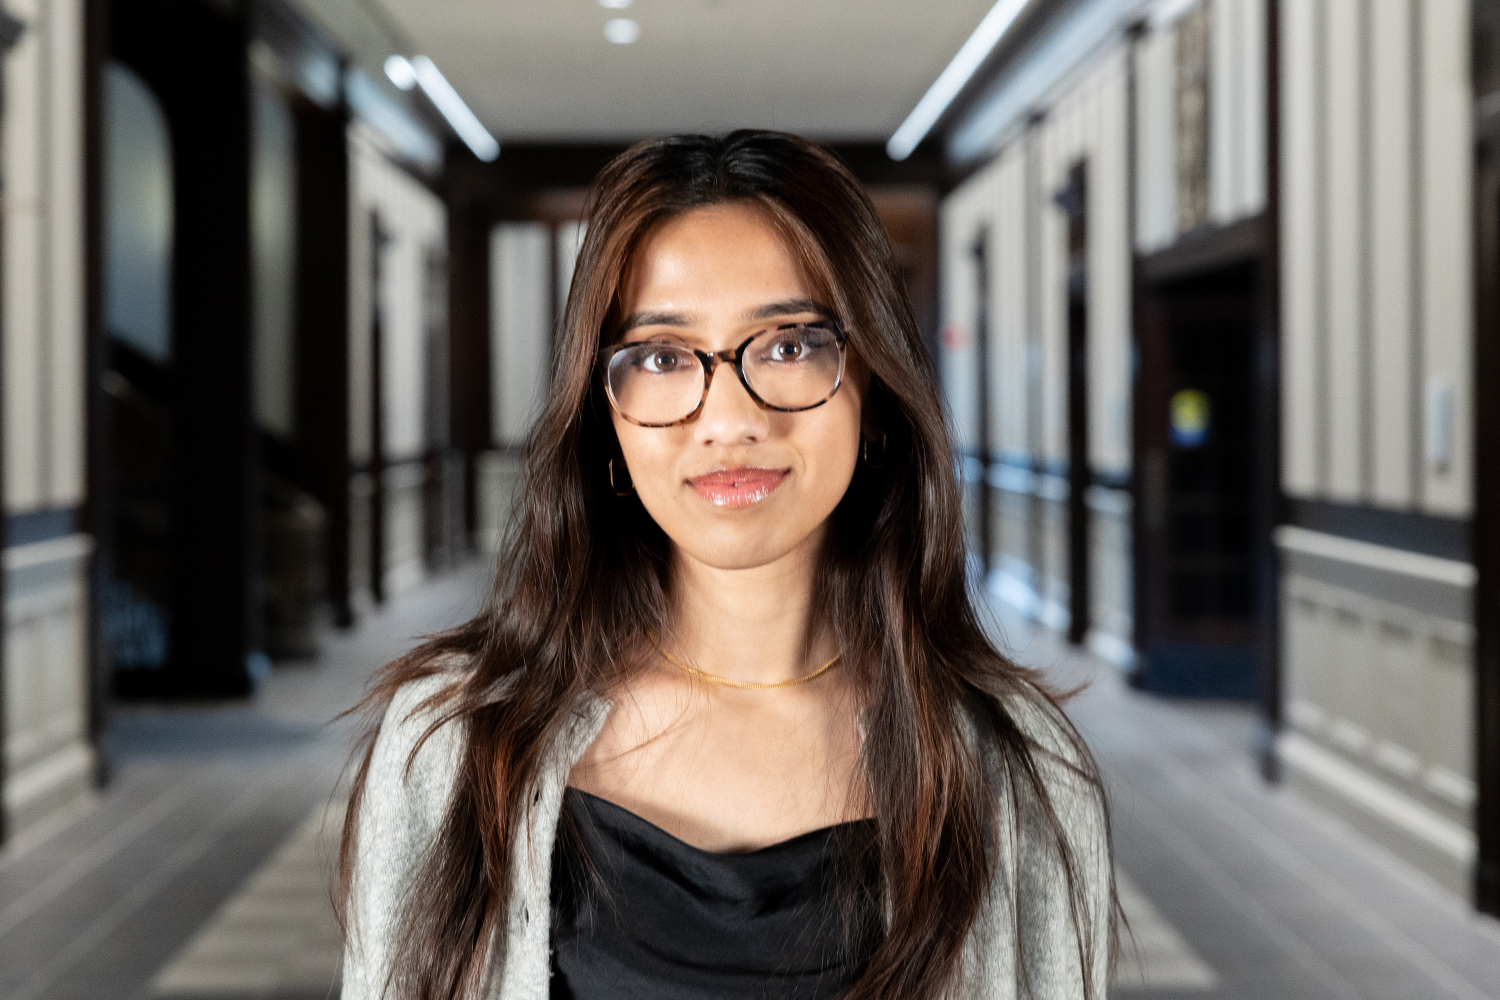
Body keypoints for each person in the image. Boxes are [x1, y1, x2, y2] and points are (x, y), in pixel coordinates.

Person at [337, 130, 1118, 1000]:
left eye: (788, 345)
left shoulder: (1019, 769)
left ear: (875, 389)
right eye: (665, 358)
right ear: (606, 413)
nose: (728, 419)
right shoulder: (450, 744)